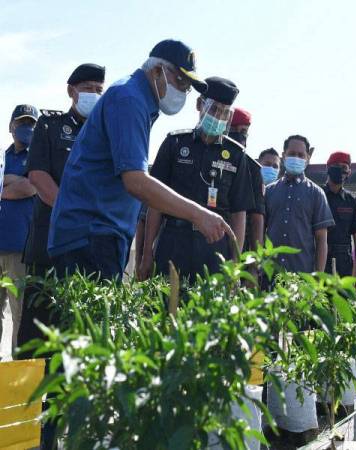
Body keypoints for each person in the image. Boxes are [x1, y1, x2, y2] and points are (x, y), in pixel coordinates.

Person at [48, 40, 232, 281]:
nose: (182, 91)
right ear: (156, 71)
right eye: (180, 81)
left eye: (187, 87)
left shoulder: (138, 100)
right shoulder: (129, 99)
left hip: (100, 235)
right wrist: (198, 214)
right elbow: (135, 181)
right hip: (90, 235)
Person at [19, 64, 106, 348]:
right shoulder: (49, 126)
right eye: (88, 89)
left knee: (78, 335)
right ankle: (30, 394)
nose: (94, 94)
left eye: (99, 90)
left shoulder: (105, 133)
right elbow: (38, 175)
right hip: (49, 245)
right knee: (37, 332)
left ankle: (68, 394)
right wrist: (72, 212)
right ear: (72, 91)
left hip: (88, 250)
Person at [140, 77, 254, 280]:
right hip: (173, 241)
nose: (218, 117)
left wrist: (236, 266)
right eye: (214, 109)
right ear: (200, 104)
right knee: (166, 304)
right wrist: (147, 253)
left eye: (224, 112)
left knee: (210, 309)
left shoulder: (236, 155)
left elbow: (238, 213)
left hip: (214, 247)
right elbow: (155, 203)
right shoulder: (174, 144)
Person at [265, 135, 334, 273]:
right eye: (292, 154)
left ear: (308, 158)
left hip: (302, 277)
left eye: (301, 155)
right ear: (283, 156)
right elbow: (259, 232)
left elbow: (321, 240)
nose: (296, 158)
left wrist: (318, 277)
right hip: (270, 274)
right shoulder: (269, 191)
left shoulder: (316, 194)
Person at [0, 104, 38, 353]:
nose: (27, 128)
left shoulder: (37, 157)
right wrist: (14, 181)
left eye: (32, 124)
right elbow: (18, 186)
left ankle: (17, 375)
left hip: (20, 250)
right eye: (23, 123)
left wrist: (6, 184)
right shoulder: (4, 156)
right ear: (12, 126)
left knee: (20, 314)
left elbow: (30, 187)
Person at [322, 151, 356, 293]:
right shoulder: (317, 196)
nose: (341, 170)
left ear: (349, 172)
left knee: (342, 308)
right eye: (337, 166)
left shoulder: (352, 201)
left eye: (345, 167)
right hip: (319, 261)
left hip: (344, 266)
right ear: (328, 168)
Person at [227, 108, 265, 252]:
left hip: (240, 246)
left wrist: (256, 263)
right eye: (233, 130)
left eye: (244, 132)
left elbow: (257, 218)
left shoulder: (253, 168)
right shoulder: (210, 156)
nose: (240, 136)